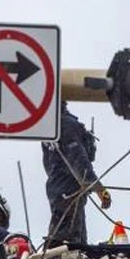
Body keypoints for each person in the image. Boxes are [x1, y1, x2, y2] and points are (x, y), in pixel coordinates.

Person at [41, 102, 111, 246]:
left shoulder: (49, 129)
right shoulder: (67, 125)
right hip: (69, 190)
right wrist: (99, 189)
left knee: (72, 240)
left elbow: (48, 164)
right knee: (68, 242)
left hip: (58, 189)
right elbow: (79, 161)